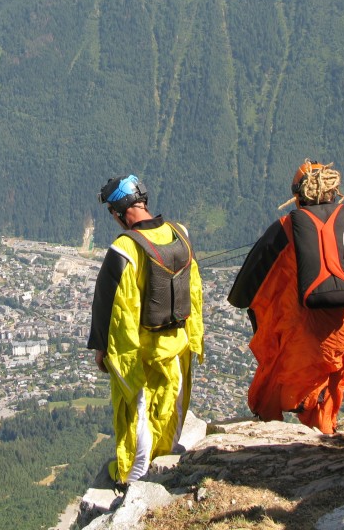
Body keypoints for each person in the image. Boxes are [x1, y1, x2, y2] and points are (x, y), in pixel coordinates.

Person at [228, 160, 344, 434]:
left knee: (273, 379)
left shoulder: (286, 228)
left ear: (297, 197)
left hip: (302, 329)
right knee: (333, 378)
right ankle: (325, 428)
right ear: (335, 191)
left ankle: (270, 428)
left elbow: (242, 292)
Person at [88, 174, 204, 486]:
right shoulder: (180, 234)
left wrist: (105, 352)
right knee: (170, 407)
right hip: (177, 345)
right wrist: (194, 337)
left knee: (136, 414)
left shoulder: (125, 249)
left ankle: (133, 479)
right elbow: (193, 291)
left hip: (142, 353)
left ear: (118, 212)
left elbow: (112, 306)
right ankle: (166, 463)